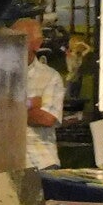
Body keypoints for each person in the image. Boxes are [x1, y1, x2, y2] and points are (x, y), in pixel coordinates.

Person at [14, 17, 65, 169]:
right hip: (2, 163)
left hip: (40, 160)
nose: (12, 46)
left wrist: (7, 110)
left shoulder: (50, 77)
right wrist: (30, 104)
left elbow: (46, 119)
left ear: (37, 44)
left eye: (19, 40)